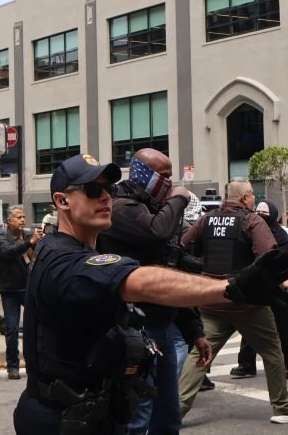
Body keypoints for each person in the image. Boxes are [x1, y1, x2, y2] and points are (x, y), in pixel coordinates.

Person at [13, 154, 288, 434]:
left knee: (166, 416)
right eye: (92, 189)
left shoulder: (81, 249)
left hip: (92, 410)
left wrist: (193, 329)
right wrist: (231, 288)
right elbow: (144, 280)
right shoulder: (63, 259)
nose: (105, 197)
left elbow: (166, 270)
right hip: (61, 419)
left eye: (108, 189)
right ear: (62, 201)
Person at [178, 178, 288, 424]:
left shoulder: (206, 219)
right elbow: (268, 257)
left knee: (200, 353)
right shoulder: (251, 220)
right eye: (252, 196)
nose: (254, 201)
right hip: (245, 301)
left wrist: (200, 270)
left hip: (210, 297)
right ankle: (282, 408)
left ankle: (175, 412)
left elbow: (181, 247)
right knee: (272, 352)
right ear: (244, 197)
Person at [97, 148, 209, 435]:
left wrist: (194, 331)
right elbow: (156, 233)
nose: (170, 183)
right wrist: (178, 199)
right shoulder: (122, 208)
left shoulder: (152, 210)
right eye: (165, 176)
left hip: (163, 327)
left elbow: (168, 276)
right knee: (139, 413)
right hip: (135, 330)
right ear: (144, 174)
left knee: (168, 415)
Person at [231, 200, 288, 380]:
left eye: (265, 213)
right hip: (259, 282)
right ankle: (246, 364)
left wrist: (279, 277)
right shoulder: (252, 231)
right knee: (251, 322)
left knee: (285, 326)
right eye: (258, 212)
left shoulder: (281, 235)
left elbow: (284, 258)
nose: (260, 216)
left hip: (283, 284)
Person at [0, 205, 43, 380]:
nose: (22, 220)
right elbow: (8, 252)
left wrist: (41, 241)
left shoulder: (29, 235)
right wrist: (29, 243)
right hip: (9, 291)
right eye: (18, 217)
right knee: (12, 329)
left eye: (24, 217)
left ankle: (33, 364)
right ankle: (13, 367)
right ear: (9, 221)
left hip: (27, 289)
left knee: (34, 327)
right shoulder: (2, 236)